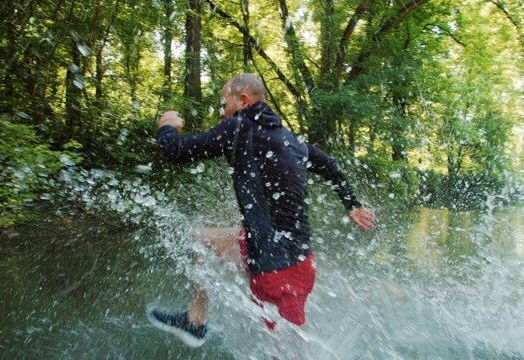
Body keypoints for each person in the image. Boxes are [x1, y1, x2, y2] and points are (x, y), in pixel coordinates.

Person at [148, 73, 375, 348]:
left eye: (224, 103)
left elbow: (176, 151)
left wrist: (167, 127)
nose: (222, 112)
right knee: (200, 240)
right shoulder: (292, 140)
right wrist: (351, 204)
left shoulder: (238, 128)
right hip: (296, 261)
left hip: (276, 271)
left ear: (243, 100)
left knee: (286, 348)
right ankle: (195, 321)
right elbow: (331, 167)